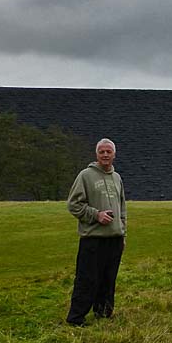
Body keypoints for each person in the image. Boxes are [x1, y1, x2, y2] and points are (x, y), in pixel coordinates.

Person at [65, 138, 127, 326]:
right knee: (87, 280)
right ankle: (76, 318)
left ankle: (104, 313)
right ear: (96, 154)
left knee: (109, 279)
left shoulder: (117, 178)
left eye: (109, 151)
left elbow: (122, 209)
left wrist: (123, 233)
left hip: (114, 239)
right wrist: (96, 215)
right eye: (102, 151)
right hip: (93, 239)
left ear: (114, 154)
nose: (105, 155)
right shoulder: (85, 175)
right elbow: (73, 205)